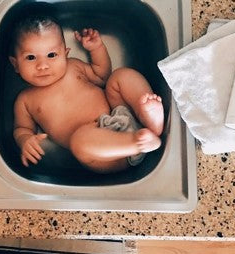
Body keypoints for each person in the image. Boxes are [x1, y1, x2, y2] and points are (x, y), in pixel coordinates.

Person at [9, 14, 164, 173]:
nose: (42, 65)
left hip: (119, 113)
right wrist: (25, 140)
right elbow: (21, 128)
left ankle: (149, 118)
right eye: (31, 57)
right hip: (106, 152)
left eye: (51, 55)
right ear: (15, 64)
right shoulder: (25, 100)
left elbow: (102, 76)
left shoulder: (74, 66)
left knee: (120, 76)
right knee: (79, 141)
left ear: (65, 53)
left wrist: (96, 48)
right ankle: (137, 143)